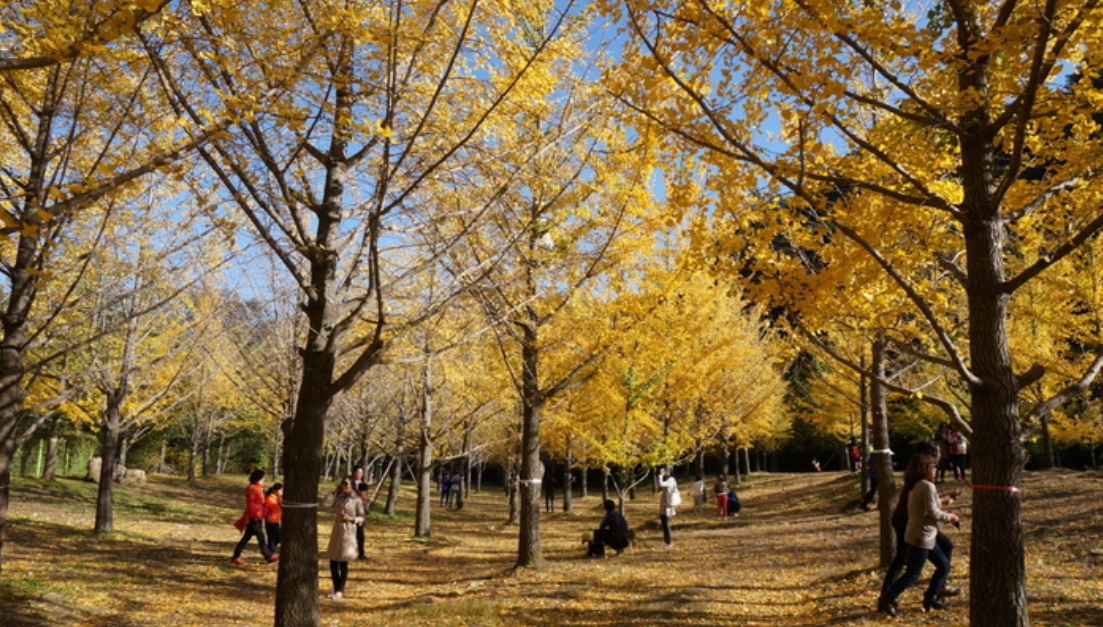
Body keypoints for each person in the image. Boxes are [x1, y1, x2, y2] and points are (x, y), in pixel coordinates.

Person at [880, 441, 961, 603]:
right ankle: (887, 596)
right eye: (937, 453)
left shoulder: (922, 477)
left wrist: (942, 499)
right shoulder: (921, 477)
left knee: (944, 548)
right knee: (905, 563)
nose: (939, 456)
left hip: (918, 522)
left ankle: (938, 587)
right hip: (909, 521)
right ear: (927, 456)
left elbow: (927, 501)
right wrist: (947, 513)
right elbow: (923, 504)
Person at [323, 478, 366, 600]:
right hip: (337, 530)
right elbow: (325, 505)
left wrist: (351, 519)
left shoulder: (356, 500)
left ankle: (340, 590)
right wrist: (333, 492)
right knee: (333, 560)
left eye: (346, 483)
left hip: (349, 531)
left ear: (351, 485)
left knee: (343, 561)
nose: (343, 485)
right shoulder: (339, 497)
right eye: (342, 483)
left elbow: (362, 516)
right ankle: (335, 588)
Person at [231, 469, 276, 565]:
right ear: (258, 478)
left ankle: (235, 556)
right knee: (261, 537)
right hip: (254, 517)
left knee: (246, 538)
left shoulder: (259, 488)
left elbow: (260, 502)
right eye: (263, 478)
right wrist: (255, 516)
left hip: (258, 516)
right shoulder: (252, 488)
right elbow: (252, 504)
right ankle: (268, 555)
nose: (264, 480)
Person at [348, 466, 369, 559]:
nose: (360, 474)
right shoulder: (348, 483)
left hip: (360, 514)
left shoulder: (362, 483)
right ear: (353, 473)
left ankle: (361, 553)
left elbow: (365, 495)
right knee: (350, 534)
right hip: (350, 512)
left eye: (361, 472)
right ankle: (348, 552)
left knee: (360, 535)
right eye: (358, 472)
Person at [658, 467, 678, 549]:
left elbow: (661, 484)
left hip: (668, 507)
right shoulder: (668, 481)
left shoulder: (671, 480)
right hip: (665, 506)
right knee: (664, 523)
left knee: (666, 524)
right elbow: (660, 487)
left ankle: (669, 543)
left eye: (662, 472)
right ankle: (666, 542)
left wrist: (660, 476)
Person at [264, 482, 283, 556]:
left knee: (276, 538)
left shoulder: (277, 498)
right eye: (281, 490)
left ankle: (269, 552)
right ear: (275, 491)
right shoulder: (270, 499)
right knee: (273, 539)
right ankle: (269, 554)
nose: (282, 492)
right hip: (271, 522)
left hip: (276, 521)